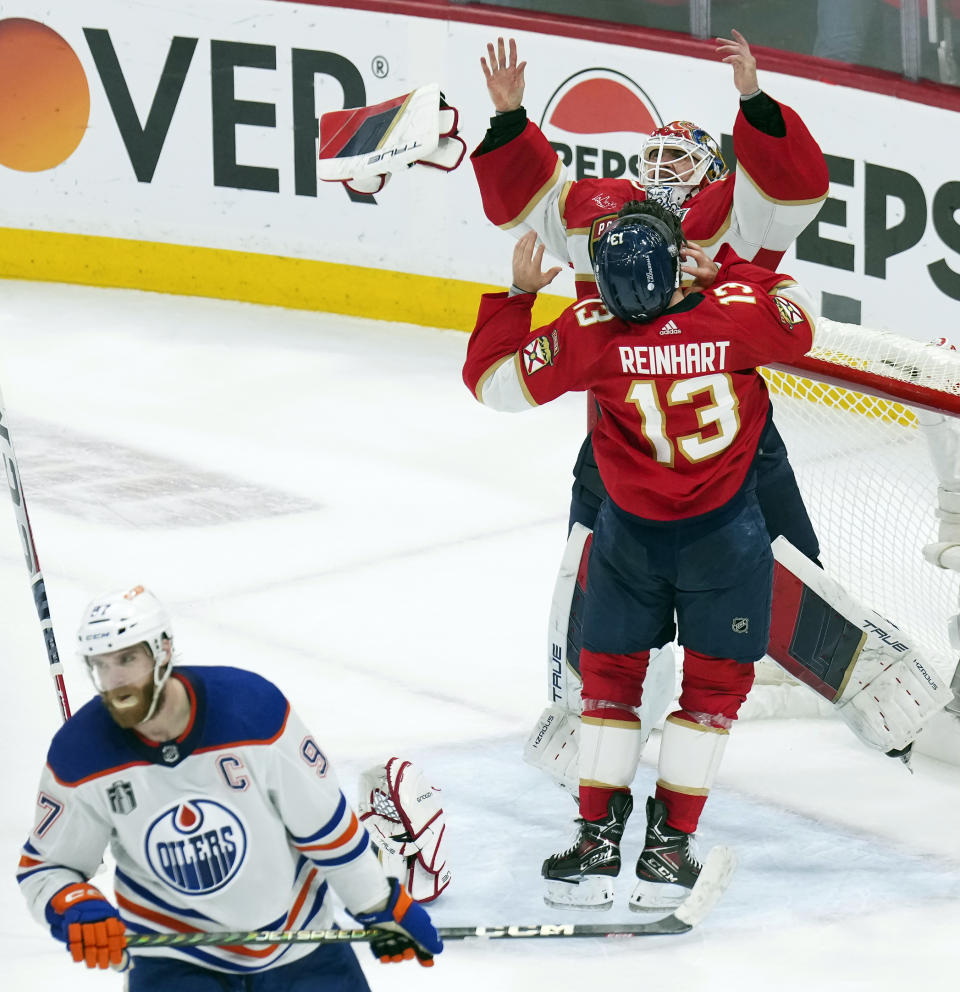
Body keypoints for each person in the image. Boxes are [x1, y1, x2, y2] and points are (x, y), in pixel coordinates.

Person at [474, 32, 840, 774]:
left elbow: (791, 187)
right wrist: (512, 121)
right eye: (656, 156)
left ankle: (813, 671)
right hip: (642, 433)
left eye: (682, 159)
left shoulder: (732, 210)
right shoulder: (602, 211)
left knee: (792, 562)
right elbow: (537, 200)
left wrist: (754, 102)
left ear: (710, 171)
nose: (664, 169)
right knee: (591, 564)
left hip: (701, 434)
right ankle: (590, 701)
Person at [462, 200, 816, 909]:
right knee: (712, 696)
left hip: (628, 541)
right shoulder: (736, 312)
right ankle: (668, 850)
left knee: (609, 686)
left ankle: (595, 843)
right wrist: (734, 269)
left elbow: (493, 385)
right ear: (677, 259)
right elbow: (802, 326)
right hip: (726, 540)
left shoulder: (591, 332)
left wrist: (518, 298)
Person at [15, 585, 442, 988]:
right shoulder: (81, 752)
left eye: (126, 660)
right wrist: (74, 905)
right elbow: (47, 868)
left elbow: (324, 826)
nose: (114, 680)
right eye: (101, 665)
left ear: (162, 650)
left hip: (300, 944)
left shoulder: (253, 712)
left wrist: (377, 905)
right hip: (177, 960)